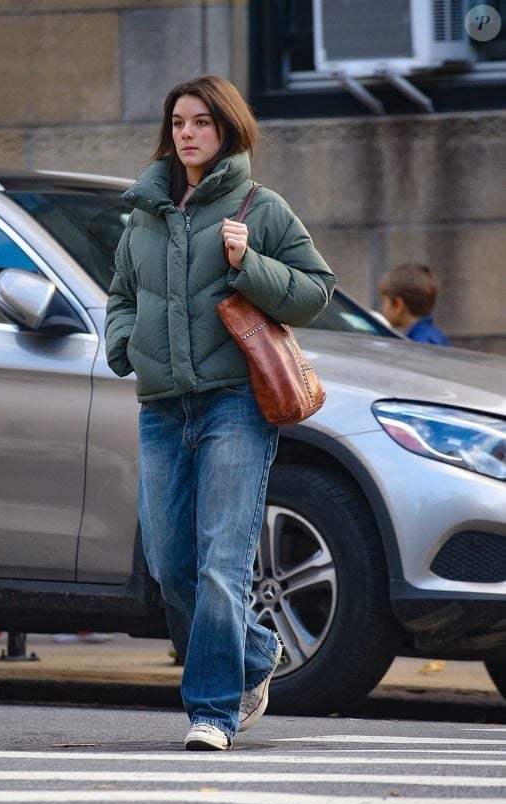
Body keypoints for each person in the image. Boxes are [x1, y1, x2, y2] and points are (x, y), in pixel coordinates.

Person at [105, 75, 336, 751]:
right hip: (161, 408)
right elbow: (121, 294)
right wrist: (127, 346)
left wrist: (247, 262)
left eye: (202, 121)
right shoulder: (144, 211)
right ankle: (258, 655)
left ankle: (212, 710)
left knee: (220, 563)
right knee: (172, 565)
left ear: (227, 129)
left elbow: (315, 292)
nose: (187, 133)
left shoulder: (259, 207)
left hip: (235, 403)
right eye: (178, 121)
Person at [378, 262, 450, 345]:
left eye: (384, 302)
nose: (383, 308)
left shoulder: (418, 343)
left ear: (398, 305)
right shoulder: (434, 336)